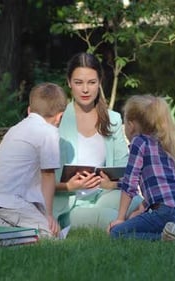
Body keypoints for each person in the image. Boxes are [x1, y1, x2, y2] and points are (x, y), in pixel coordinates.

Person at [53, 52, 141, 231]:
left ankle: (136, 220)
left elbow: (125, 171)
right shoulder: (57, 120)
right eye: (78, 83)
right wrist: (70, 186)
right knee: (111, 217)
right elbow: (42, 181)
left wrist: (111, 184)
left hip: (103, 194)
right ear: (69, 82)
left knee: (140, 202)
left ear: (100, 82)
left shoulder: (113, 119)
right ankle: (136, 224)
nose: (85, 90)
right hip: (71, 203)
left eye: (91, 82)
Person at [0, 82, 67, 239]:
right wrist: (48, 215)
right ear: (60, 117)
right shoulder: (49, 132)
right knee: (53, 235)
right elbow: (48, 175)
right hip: (10, 200)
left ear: (29, 111)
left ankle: (1, 227)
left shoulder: (16, 128)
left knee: (36, 225)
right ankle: (2, 234)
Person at [106, 94, 175, 240]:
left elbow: (130, 185)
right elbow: (160, 185)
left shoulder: (139, 142)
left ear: (130, 125)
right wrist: (141, 209)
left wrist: (120, 219)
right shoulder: (164, 143)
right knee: (139, 221)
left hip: (164, 211)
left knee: (117, 233)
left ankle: (164, 239)